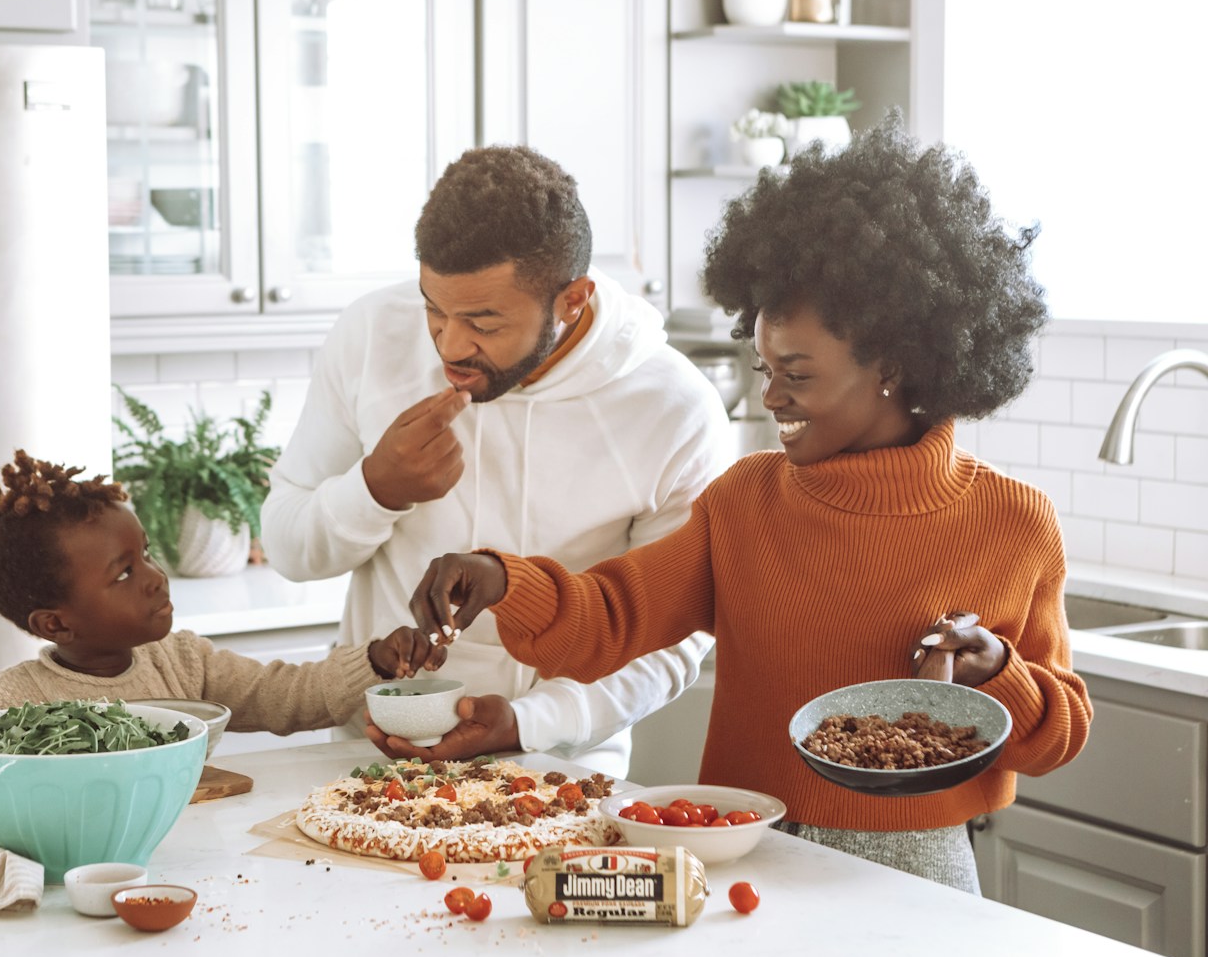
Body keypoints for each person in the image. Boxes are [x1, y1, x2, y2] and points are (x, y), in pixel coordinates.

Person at [406, 118, 1093, 893]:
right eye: (763, 366)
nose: (770, 398)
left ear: (894, 366)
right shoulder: (744, 502)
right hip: (745, 852)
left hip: (919, 869)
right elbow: (614, 615)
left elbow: (1057, 732)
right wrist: (502, 580)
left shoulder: (1013, 523)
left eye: (795, 375)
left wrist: (997, 671)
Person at [260, 144, 732, 777]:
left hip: (559, 772)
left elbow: (669, 639)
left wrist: (530, 723)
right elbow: (287, 548)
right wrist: (375, 489)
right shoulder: (372, 333)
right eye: (434, 308)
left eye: (483, 320)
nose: (450, 344)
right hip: (369, 760)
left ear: (572, 300)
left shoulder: (675, 410)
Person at [0, 450, 441, 724]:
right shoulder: (10, 704)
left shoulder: (183, 663)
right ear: (55, 623)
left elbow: (287, 695)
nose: (156, 578)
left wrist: (375, 659)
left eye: (147, 554)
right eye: (124, 573)